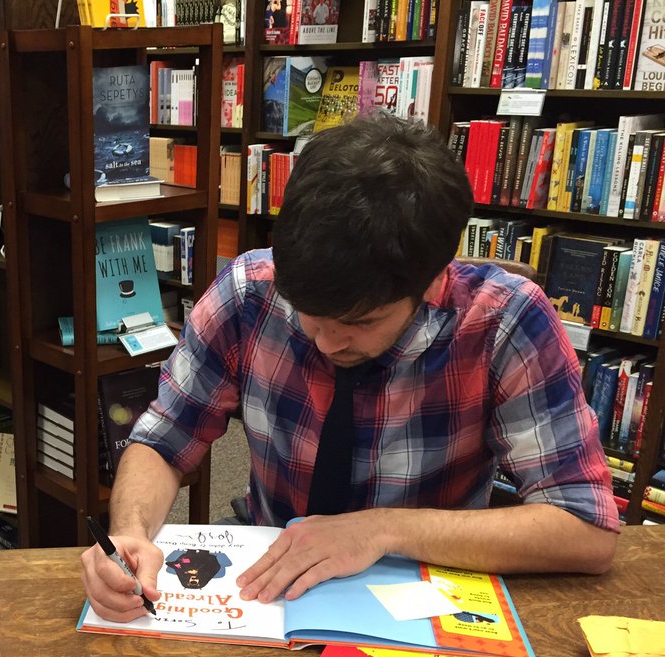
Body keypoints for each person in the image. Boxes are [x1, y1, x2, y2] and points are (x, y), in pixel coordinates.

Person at [82, 114, 618, 623]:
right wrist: (129, 532)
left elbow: (586, 529)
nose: (326, 340)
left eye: (360, 321)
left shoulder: (505, 321)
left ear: (434, 280)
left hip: (423, 580)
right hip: (271, 561)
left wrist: (380, 531)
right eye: (308, 312)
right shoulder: (249, 291)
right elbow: (165, 438)